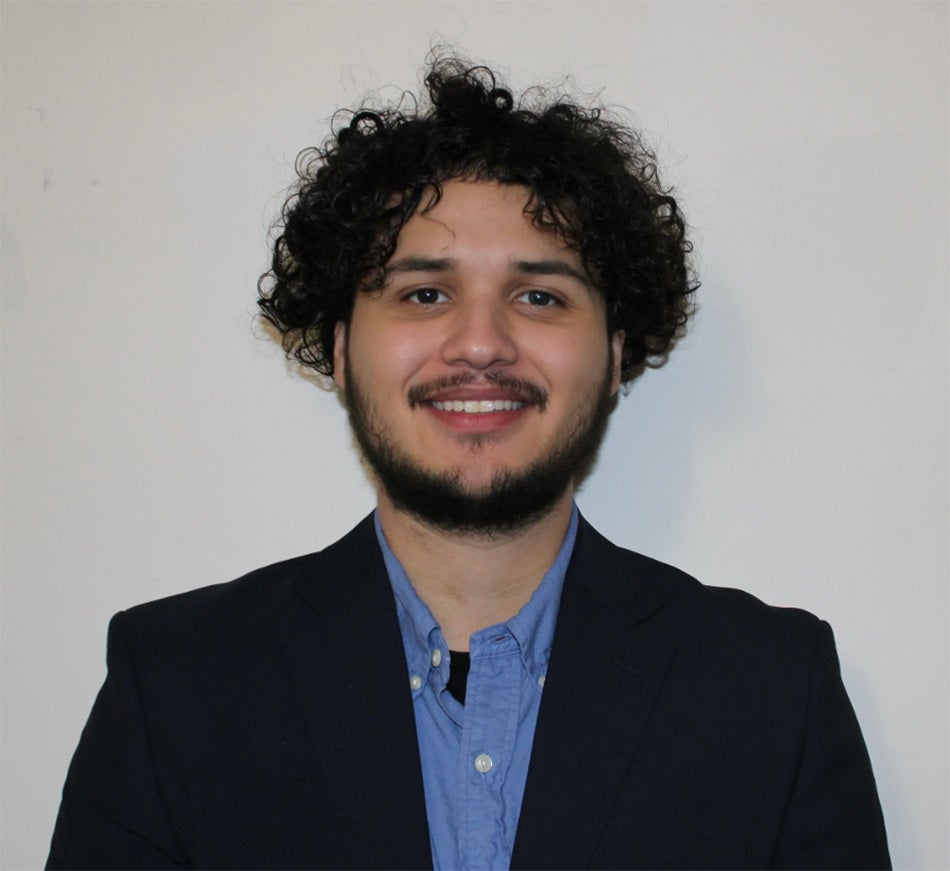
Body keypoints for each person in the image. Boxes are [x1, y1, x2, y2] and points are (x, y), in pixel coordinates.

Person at [47, 55, 890, 870]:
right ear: (340, 348)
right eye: (424, 292)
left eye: (539, 295)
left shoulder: (774, 694)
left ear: (614, 353)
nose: (481, 342)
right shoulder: (177, 688)